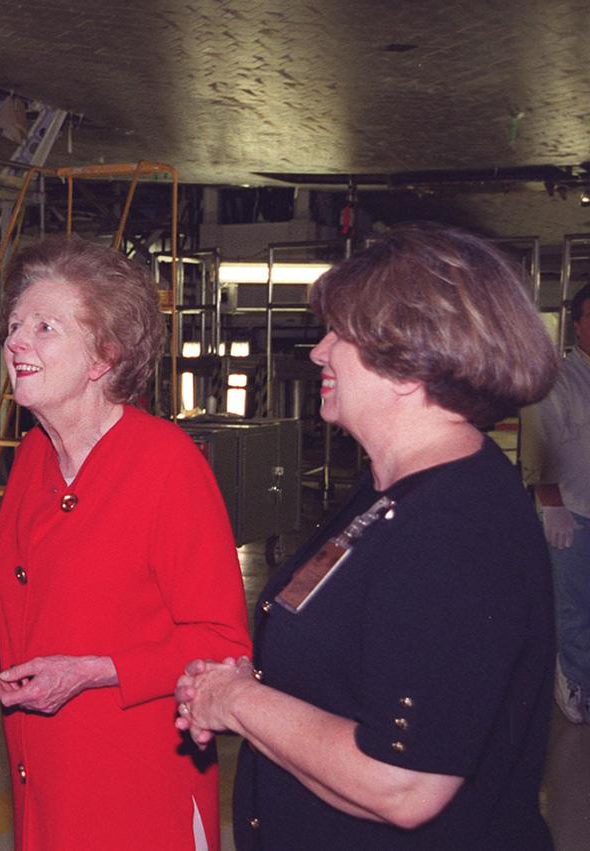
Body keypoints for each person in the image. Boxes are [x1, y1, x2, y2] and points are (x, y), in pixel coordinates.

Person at [175, 223, 559, 850]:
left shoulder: (456, 528)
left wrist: (239, 703)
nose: (320, 352)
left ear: (408, 365)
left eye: (341, 336)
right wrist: (251, 690)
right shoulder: (391, 490)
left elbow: (402, 783)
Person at [0, 235, 251, 849]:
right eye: (14, 325)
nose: (15, 342)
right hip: (46, 788)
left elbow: (223, 646)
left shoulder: (166, 464)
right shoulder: (34, 455)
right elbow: (33, 598)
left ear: (103, 356)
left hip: (138, 792)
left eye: (46, 327)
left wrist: (92, 671)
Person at [534, 284, 590, 724]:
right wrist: (551, 505)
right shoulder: (561, 379)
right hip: (573, 512)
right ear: (577, 325)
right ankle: (572, 682)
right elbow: (541, 444)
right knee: (574, 605)